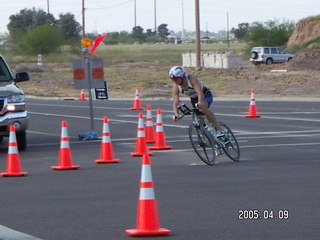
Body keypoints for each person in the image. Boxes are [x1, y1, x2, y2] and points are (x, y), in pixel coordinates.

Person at [169, 66, 225, 137]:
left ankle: (220, 130)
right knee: (198, 119)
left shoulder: (191, 79)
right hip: (194, 99)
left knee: (202, 108)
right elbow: (175, 102)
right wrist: (176, 114)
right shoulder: (176, 87)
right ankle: (209, 131)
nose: (175, 81)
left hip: (205, 94)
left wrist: (200, 102)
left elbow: (200, 92)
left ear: (182, 76)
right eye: (173, 79)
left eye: (176, 79)